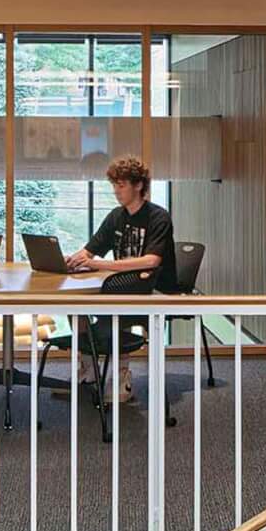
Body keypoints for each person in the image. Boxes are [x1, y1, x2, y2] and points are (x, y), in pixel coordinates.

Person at [64, 154, 174, 405]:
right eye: (114, 185)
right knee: (74, 306)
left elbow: (151, 261)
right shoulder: (116, 216)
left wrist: (102, 264)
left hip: (154, 288)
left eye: (121, 185)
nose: (116, 191)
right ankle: (89, 369)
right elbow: (91, 249)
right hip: (124, 284)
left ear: (138, 185)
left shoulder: (159, 217)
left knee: (117, 303)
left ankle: (121, 374)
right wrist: (74, 259)